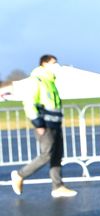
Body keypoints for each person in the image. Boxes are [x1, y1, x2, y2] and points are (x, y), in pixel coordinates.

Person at [10, 54, 77, 198]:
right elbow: (29, 103)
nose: (57, 65)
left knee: (57, 155)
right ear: (44, 64)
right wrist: (38, 123)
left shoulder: (50, 82)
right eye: (54, 63)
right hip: (45, 125)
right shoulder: (37, 80)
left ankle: (58, 187)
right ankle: (19, 175)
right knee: (46, 154)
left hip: (55, 123)